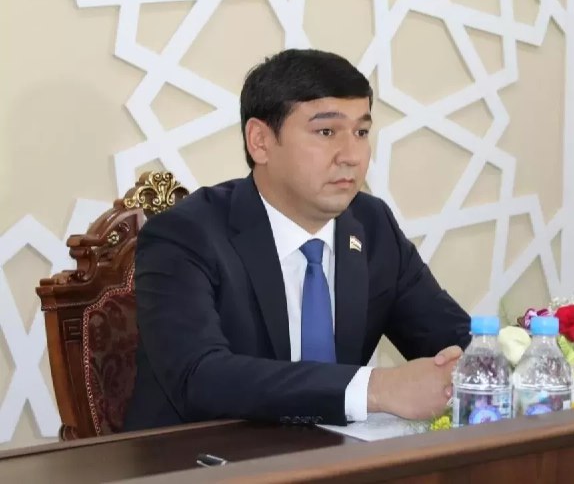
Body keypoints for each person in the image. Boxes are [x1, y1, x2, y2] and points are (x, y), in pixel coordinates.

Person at [123, 48, 472, 431]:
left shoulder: (372, 225)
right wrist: (377, 388)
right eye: (326, 132)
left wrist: (496, 360)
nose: (352, 156)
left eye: (361, 132)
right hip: (202, 457)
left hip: (339, 457)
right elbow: (199, 376)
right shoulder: (185, 234)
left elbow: (454, 341)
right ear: (260, 141)